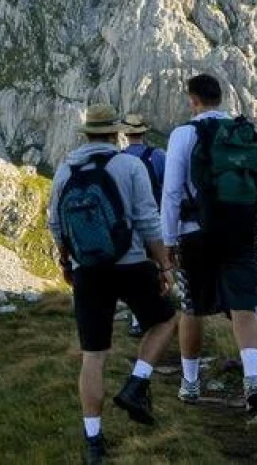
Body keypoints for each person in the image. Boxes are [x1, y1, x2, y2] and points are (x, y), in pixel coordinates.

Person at [48, 103, 179, 464]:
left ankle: (93, 442)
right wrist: (164, 266)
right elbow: (148, 221)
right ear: (116, 133)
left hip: (89, 269)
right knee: (165, 320)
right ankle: (137, 383)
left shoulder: (65, 169)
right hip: (133, 263)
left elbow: (56, 225)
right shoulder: (130, 165)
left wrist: (66, 262)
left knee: (93, 355)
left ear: (87, 134)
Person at [161, 74, 257, 413]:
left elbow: (172, 192)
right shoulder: (244, 132)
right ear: (220, 98)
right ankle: (253, 380)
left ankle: (190, 384)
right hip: (241, 231)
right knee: (245, 306)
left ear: (193, 100)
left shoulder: (183, 134)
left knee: (193, 307)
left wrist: (168, 240)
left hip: (196, 233)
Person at [119, 114, 165, 339]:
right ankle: (160, 312)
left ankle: (138, 320)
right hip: (155, 219)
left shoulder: (119, 159)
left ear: (125, 134)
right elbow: (170, 187)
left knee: (137, 269)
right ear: (144, 133)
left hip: (129, 225)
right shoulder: (157, 156)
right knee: (159, 266)